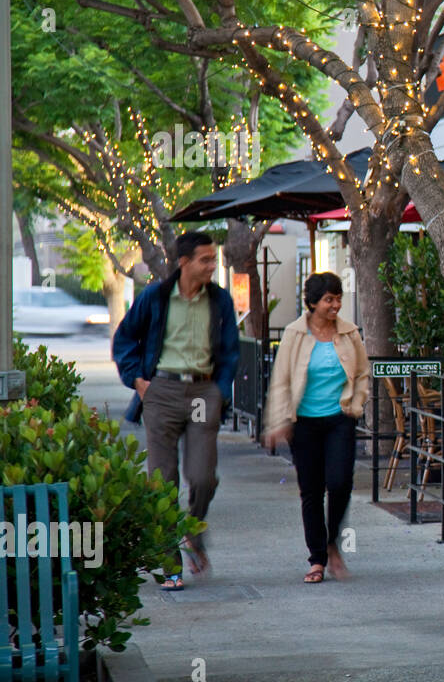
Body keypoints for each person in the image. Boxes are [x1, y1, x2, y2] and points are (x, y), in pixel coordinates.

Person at [112, 231, 239, 590]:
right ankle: (170, 566)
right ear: (184, 262)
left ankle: (192, 531)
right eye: (205, 259)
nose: (212, 265)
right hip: (162, 391)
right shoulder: (155, 297)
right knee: (161, 481)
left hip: (202, 392)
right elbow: (125, 339)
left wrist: (220, 391)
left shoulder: (220, 301)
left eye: (213, 259)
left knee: (202, 476)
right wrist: (138, 381)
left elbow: (230, 351)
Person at [263, 273, 371, 584]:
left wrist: (357, 404)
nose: (336, 305)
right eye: (329, 300)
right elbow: (281, 380)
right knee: (310, 491)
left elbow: (363, 373)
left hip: (340, 418)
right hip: (304, 423)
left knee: (340, 483)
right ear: (312, 303)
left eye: (338, 298)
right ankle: (317, 559)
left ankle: (332, 540)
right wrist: (277, 422)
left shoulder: (350, 333)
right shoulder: (295, 334)